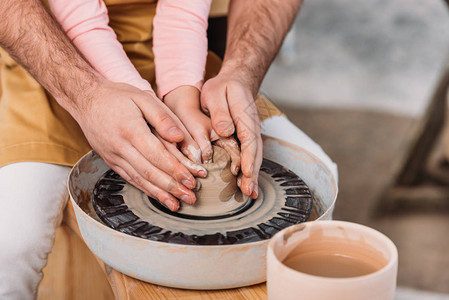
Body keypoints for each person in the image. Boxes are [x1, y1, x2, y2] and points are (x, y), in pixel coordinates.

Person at [0, 0, 336, 298]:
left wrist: (183, 96)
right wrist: (126, 102)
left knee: (322, 170)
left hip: (176, 55)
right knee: (13, 244)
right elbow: (80, 17)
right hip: (56, 57)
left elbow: (183, 13)